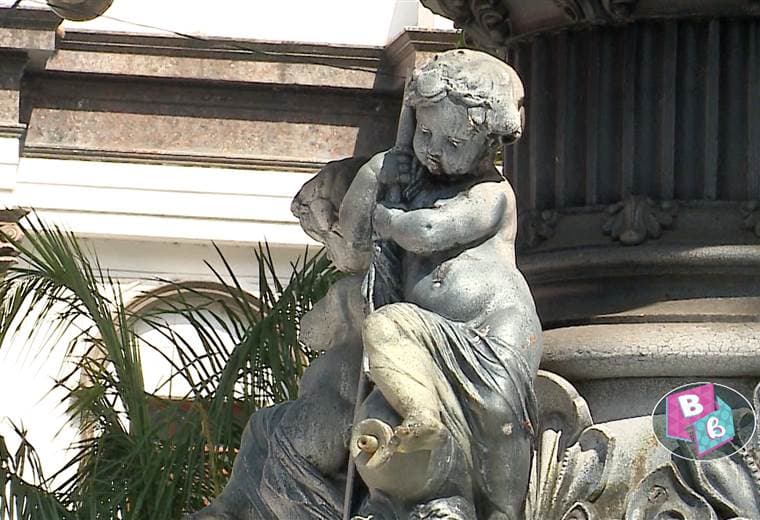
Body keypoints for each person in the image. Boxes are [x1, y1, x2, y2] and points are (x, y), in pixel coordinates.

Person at [358, 49, 542, 520]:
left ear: (490, 144)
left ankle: (503, 511)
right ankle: (418, 448)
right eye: (424, 133)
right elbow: (356, 241)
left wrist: (388, 219)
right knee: (381, 379)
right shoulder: (413, 185)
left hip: (490, 332)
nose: (434, 150)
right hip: (429, 338)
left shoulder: (491, 194)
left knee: (499, 417)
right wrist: (384, 175)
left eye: (454, 141)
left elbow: (428, 231)